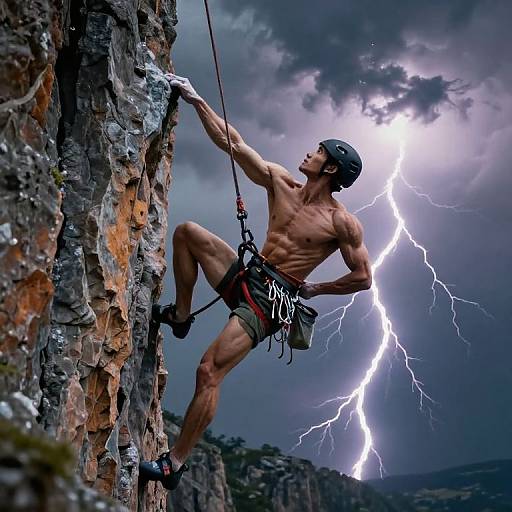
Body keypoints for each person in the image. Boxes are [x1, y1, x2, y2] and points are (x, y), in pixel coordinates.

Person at [139, 74, 372, 490]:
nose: (309, 152)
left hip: (269, 301)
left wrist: (315, 289)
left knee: (208, 371)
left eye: (318, 152)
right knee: (188, 233)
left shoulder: (341, 222)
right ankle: (181, 315)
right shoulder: (281, 182)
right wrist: (195, 100)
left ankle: (175, 463)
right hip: (249, 272)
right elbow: (234, 143)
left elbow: (363, 277)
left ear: (331, 168)